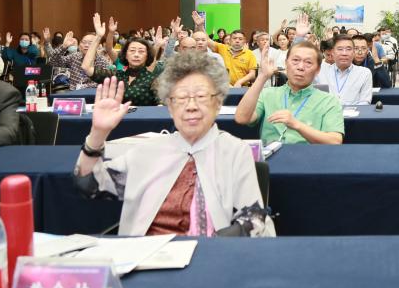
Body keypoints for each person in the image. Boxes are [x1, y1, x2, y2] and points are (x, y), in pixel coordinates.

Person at [74, 53, 275, 237]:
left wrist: (210, 245)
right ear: (169, 106)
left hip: (207, 254)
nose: (191, 106)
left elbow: (254, 220)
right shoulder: (148, 150)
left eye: (201, 97)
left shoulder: (234, 151)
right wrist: (98, 133)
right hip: (144, 255)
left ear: (218, 103)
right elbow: (89, 185)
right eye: (181, 98)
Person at [235, 41, 344, 145]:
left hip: (309, 156)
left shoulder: (329, 101)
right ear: (286, 63)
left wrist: (297, 125)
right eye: (295, 60)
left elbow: (334, 141)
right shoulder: (268, 94)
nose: (300, 67)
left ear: (317, 70)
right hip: (270, 156)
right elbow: (241, 118)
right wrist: (262, 77)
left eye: (308, 62)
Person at [84, 14, 164, 106]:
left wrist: (157, 45)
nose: (136, 55)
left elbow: (161, 104)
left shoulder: (152, 79)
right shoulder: (117, 74)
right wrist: (98, 36)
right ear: (125, 55)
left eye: (141, 51)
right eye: (132, 50)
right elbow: (86, 67)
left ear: (147, 56)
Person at [195, 14, 257, 88]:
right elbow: (207, 40)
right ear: (230, 40)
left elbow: (252, 74)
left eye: (240, 39)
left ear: (244, 41)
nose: (237, 41)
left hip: (242, 87)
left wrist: (240, 82)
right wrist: (200, 26)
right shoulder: (222, 48)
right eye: (234, 38)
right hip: (222, 87)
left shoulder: (249, 54)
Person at [49, 30, 114, 90]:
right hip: (74, 94)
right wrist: (64, 46)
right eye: (84, 42)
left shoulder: (102, 61)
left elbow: (106, 81)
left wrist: (83, 87)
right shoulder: (74, 57)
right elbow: (53, 61)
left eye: (90, 43)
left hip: (93, 94)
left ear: (97, 46)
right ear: (80, 45)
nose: (86, 45)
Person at [316, 35, 372, 105]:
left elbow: (365, 101)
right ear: (333, 52)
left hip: (355, 111)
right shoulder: (321, 71)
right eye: (340, 49)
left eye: (348, 49)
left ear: (353, 52)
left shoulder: (364, 73)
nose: (344, 53)